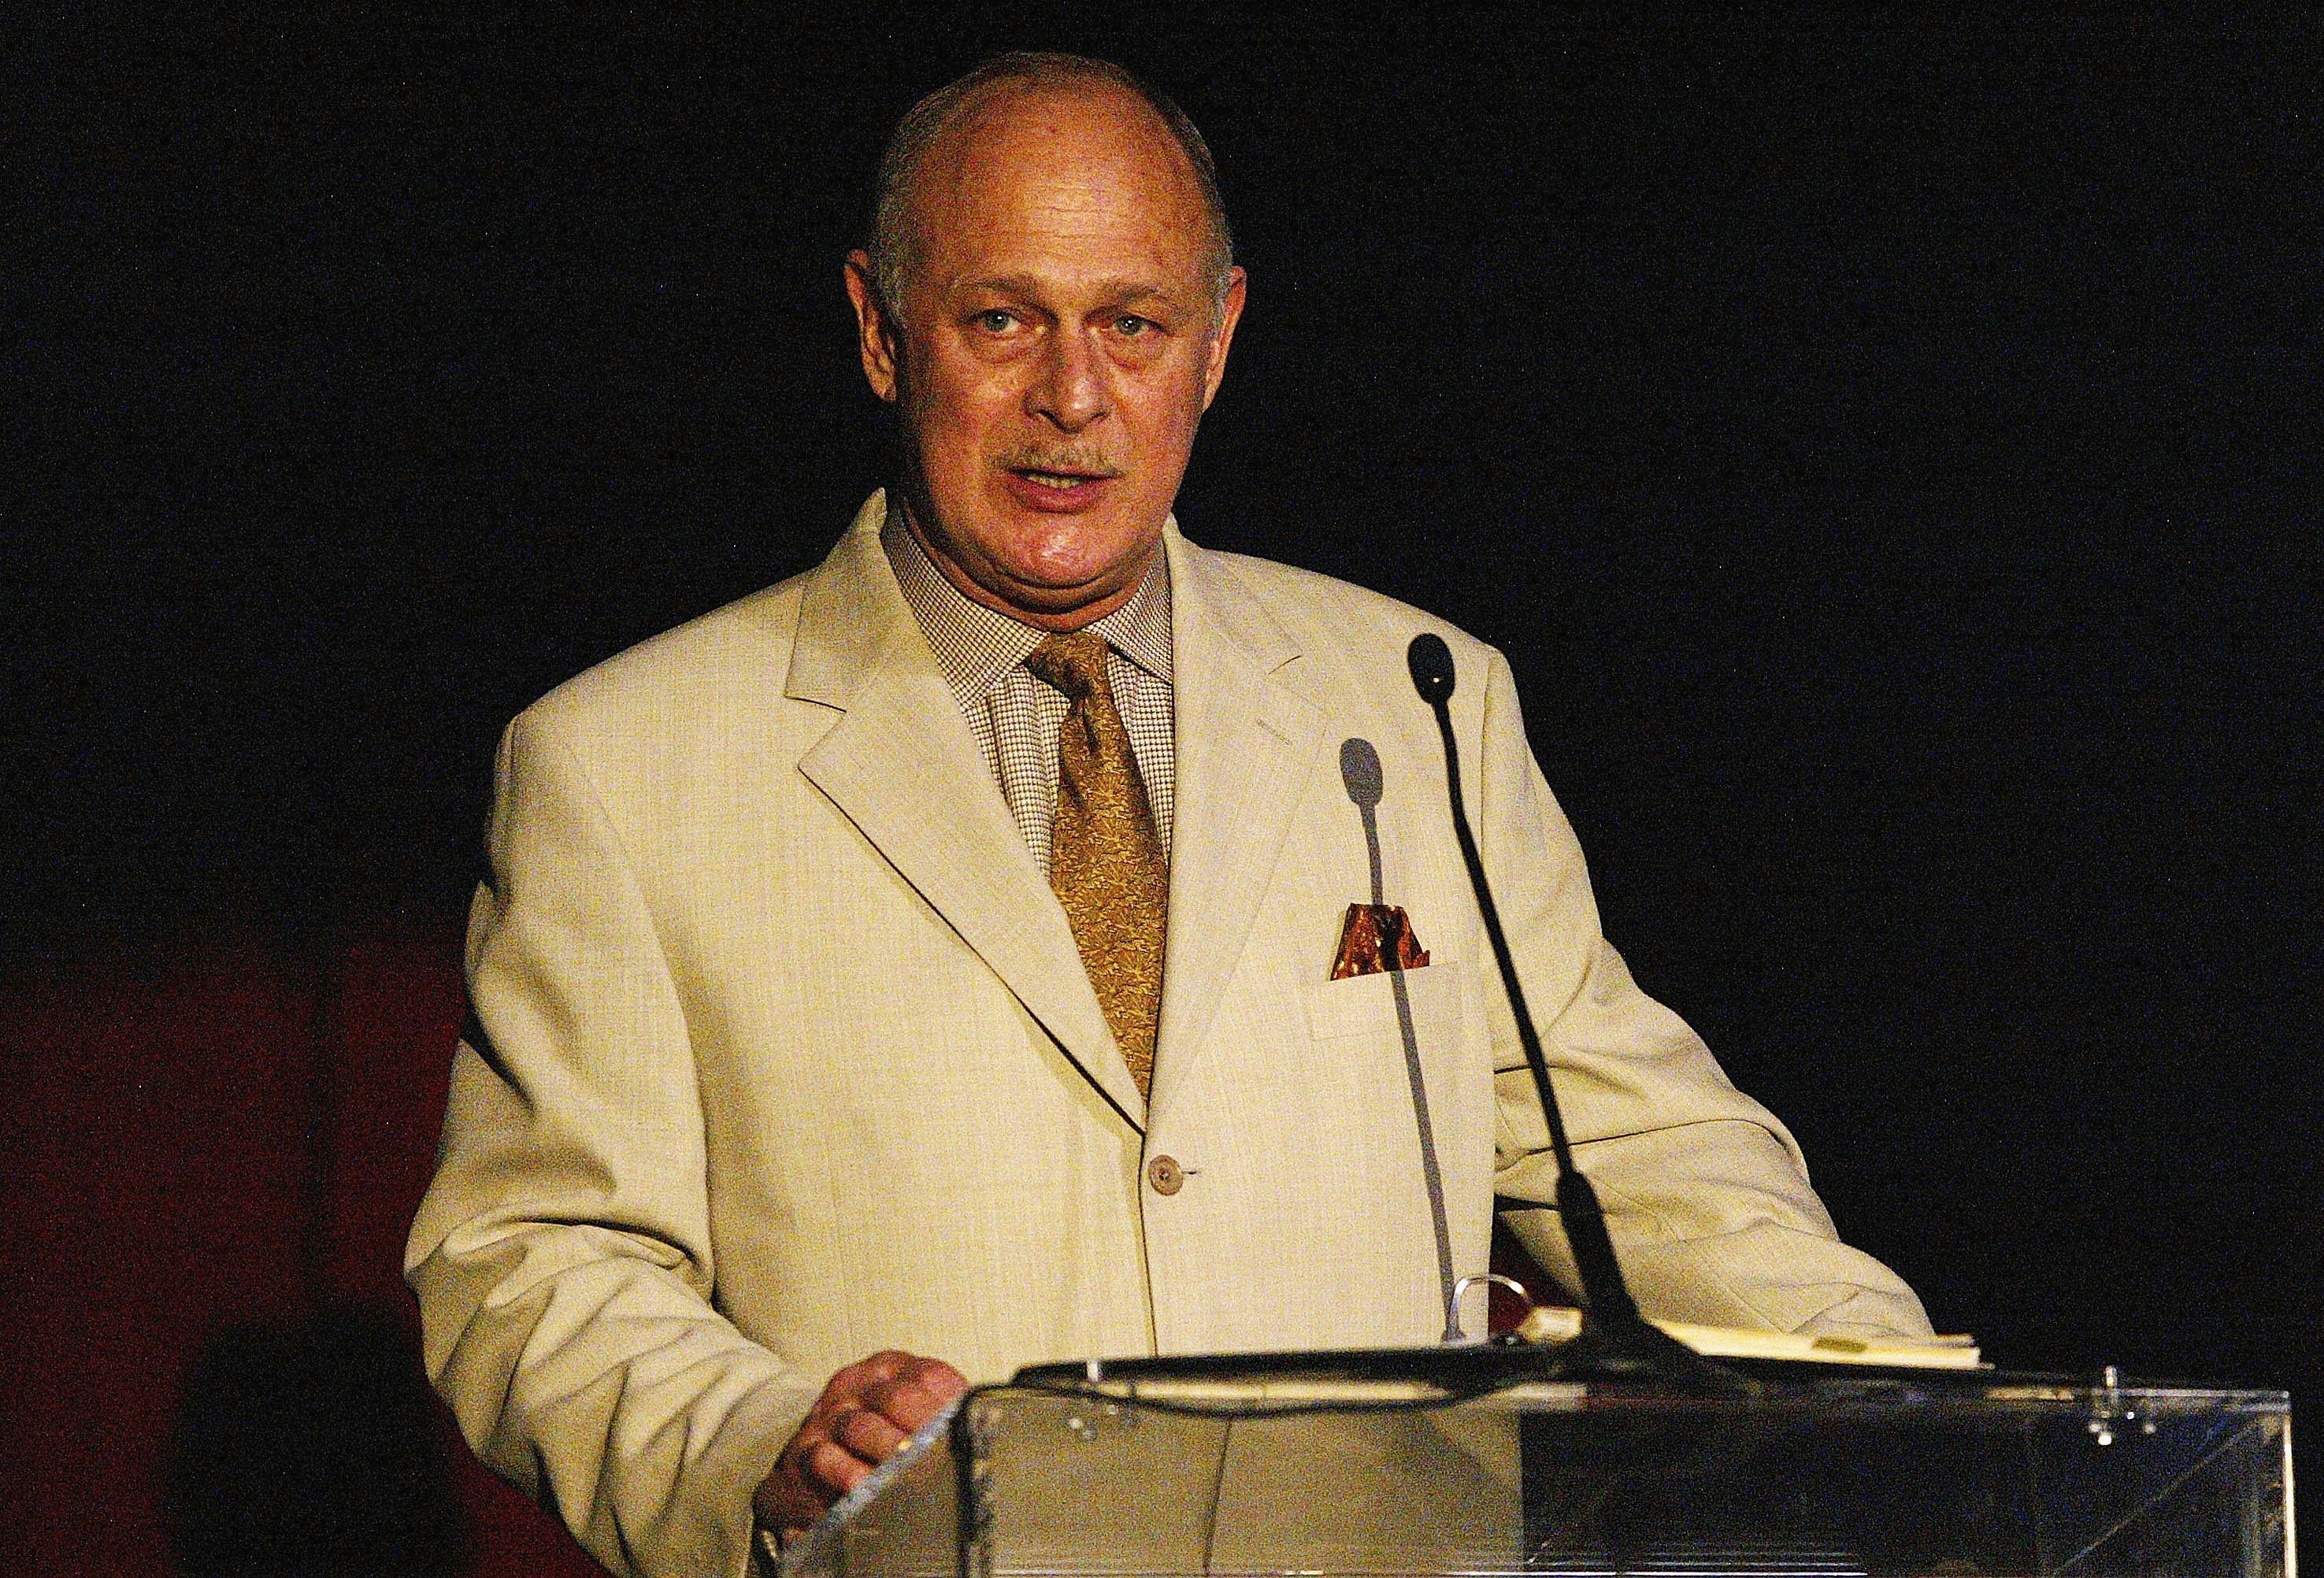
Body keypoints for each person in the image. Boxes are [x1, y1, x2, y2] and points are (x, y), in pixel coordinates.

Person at [407, 53, 1932, 1578]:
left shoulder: (1414, 702)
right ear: (880, 331)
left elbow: (1642, 1143)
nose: (1071, 398)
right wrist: (765, 1443)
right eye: (1002, 320)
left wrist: (1919, 1414)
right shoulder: (625, 765)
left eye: (1132, 326)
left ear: (1218, 340)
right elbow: (533, 1267)